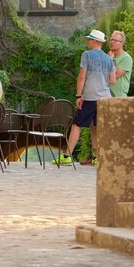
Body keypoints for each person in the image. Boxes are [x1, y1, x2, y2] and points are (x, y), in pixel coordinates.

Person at [54, 29, 115, 166]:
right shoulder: (109, 59)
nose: (87, 42)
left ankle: (67, 156)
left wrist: (78, 95)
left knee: (76, 125)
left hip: (90, 97)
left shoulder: (87, 55)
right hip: (105, 98)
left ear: (94, 41)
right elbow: (112, 80)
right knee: (97, 127)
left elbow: (82, 76)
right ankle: (97, 157)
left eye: (89, 39)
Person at [108, 30, 134, 97]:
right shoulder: (108, 56)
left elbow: (115, 75)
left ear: (121, 43)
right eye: (111, 40)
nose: (111, 42)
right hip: (106, 95)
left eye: (115, 41)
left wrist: (110, 60)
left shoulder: (126, 58)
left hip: (119, 97)